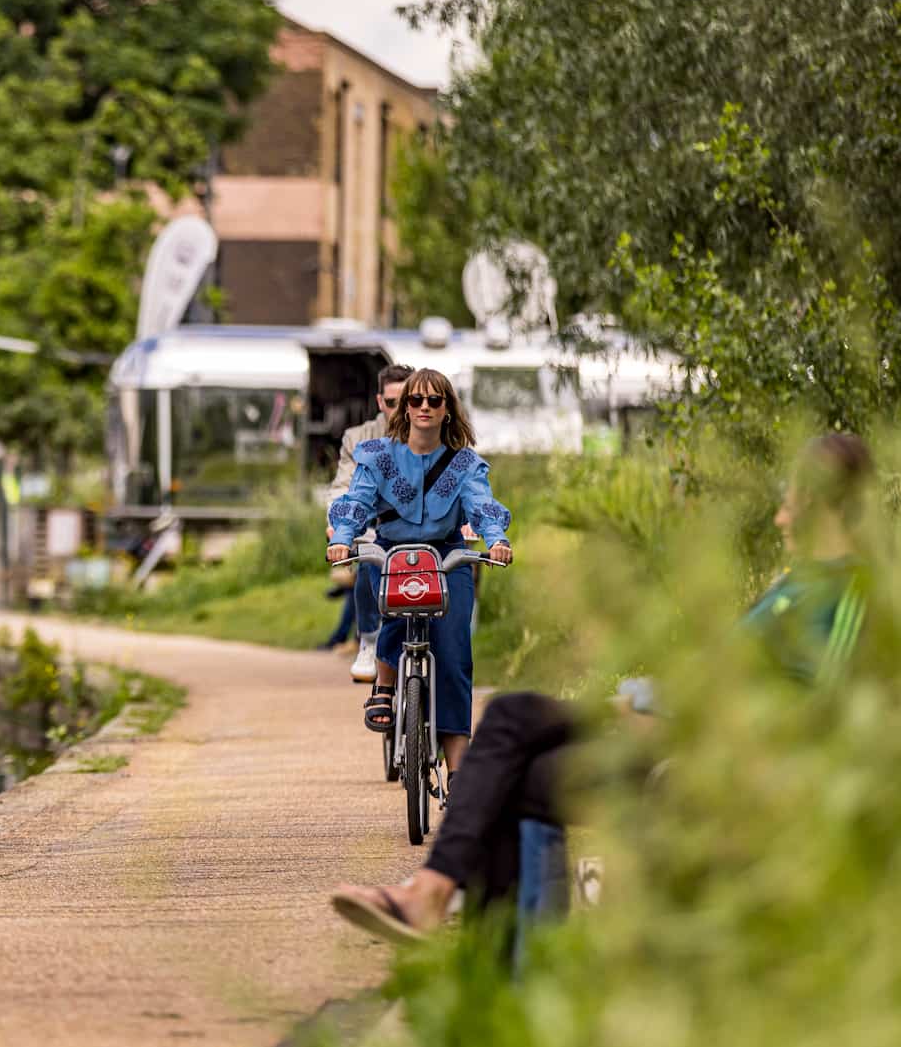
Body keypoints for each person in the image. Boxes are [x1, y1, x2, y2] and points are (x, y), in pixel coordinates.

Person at [328, 432, 874, 944]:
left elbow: (815, 706)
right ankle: (500, 973)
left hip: (717, 754)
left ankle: (436, 902)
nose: (780, 516)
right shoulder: (796, 582)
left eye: (792, 500)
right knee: (521, 761)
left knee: (513, 723)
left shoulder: (851, 592)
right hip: (680, 724)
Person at [326, 368, 515, 779]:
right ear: (404, 408)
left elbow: (482, 505)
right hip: (395, 552)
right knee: (390, 608)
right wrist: (342, 537)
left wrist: (496, 538)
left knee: (453, 656)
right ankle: (385, 685)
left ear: (448, 409)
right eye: (415, 400)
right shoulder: (376, 456)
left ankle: (458, 769)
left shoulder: (465, 463)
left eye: (434, 400)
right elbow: (356, 503)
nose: (424, 408)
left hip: (447, 555)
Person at [328, 364, 415, 680]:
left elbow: (464, 479)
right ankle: (368, 638)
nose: (401, 410)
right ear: (380, 402)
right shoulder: (361, 440)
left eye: (408, 401)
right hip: (375, 525)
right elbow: (345, 489)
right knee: (368, 557)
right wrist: (340, 528)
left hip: (426, 528)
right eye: (392, 403)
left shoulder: (434, 432)